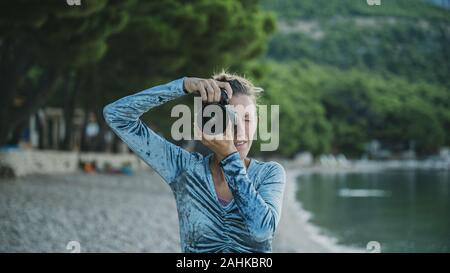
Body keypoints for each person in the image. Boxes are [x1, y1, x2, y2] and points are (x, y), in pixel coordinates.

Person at [103, 72, 286, 253]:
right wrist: (183, 85)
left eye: (247, 118)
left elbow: (262, 231)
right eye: (230, 117)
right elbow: (116, 116)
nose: (238, 128)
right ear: (209, 122)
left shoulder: (269, 173)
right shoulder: (185, 168)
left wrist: (229, 157)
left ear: (258, 122)